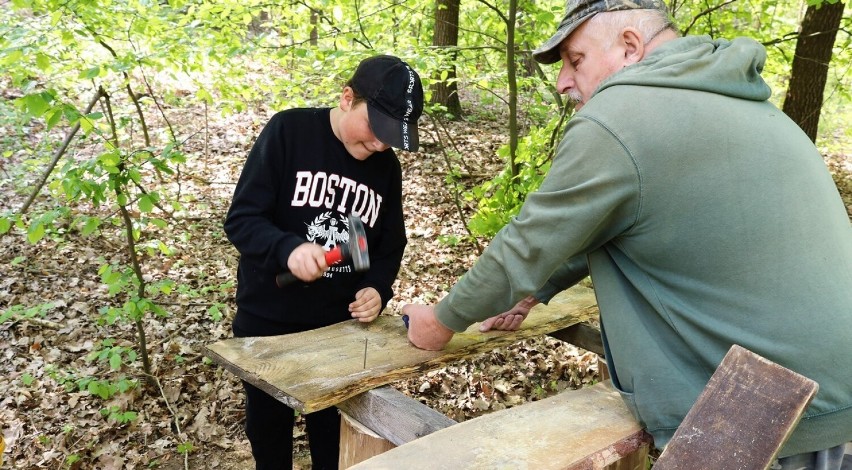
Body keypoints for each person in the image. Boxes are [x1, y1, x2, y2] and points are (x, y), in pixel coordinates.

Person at [402, 0, 852, 467]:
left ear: (630, 46)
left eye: (575, 60)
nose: (562, 83)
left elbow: (527, 244)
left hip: (762, 410)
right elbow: (640, 222)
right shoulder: (741, 101)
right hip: (828, 387)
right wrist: (536, 291)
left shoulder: (619, 115)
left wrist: (439, 323)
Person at [224, 54, 424, 469]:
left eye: (392, 138)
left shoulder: (385, 169)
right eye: (375, 129)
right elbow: (242, 219)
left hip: (339, 332)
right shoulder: (289, 132)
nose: (381, 145)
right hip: (269, 328)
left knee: (333, 443)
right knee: (269, 438)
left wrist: (377, 288)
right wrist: (287, 248)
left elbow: (385, 246)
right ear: (347, 98)